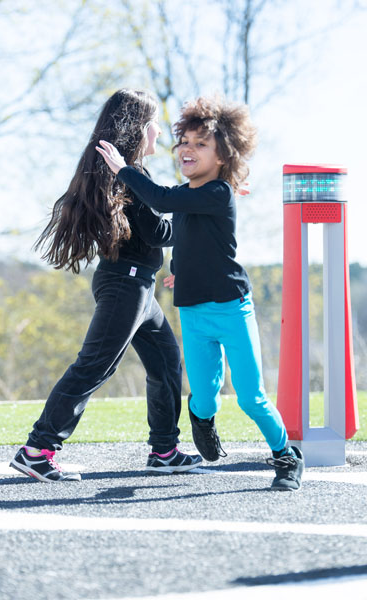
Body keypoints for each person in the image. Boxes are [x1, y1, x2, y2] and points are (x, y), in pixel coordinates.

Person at [96, 95, 305, 491]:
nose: (187, 150)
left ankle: (287, 457)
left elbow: (160, 199)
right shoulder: (190, 194)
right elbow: (188, 238)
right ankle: (203, 418)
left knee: (250, 396)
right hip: (193, 311)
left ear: (223, 155)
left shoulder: (217, 194)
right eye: (184, 143)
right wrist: (180, 271)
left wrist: (124, 170)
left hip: (231, 309)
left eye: (200, 144)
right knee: (205, 396)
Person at [10, 89, 202, 482]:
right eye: (155, 124)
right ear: (140, 129)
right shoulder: (131, 176)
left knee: (166, 363)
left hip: (139, 288)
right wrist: (197, 217)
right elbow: (156, 232)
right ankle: (37, 449)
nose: (160, 132)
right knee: (94, 366)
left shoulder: (127, 174)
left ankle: (164, 450)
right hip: (126, 286)